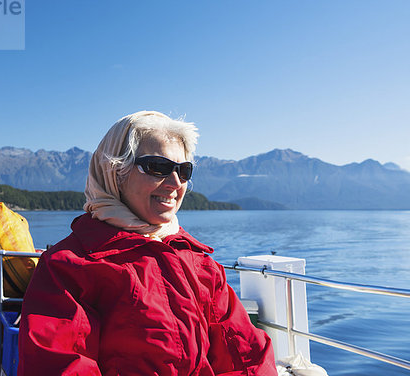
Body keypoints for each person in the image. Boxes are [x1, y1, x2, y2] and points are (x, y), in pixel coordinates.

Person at [18, 111, 277, 375]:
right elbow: (61, 364)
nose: (175, 183)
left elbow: (248, 356)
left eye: (184, 170)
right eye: (158, 167)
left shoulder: (201, 265)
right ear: (115, 171)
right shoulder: (68, 267)